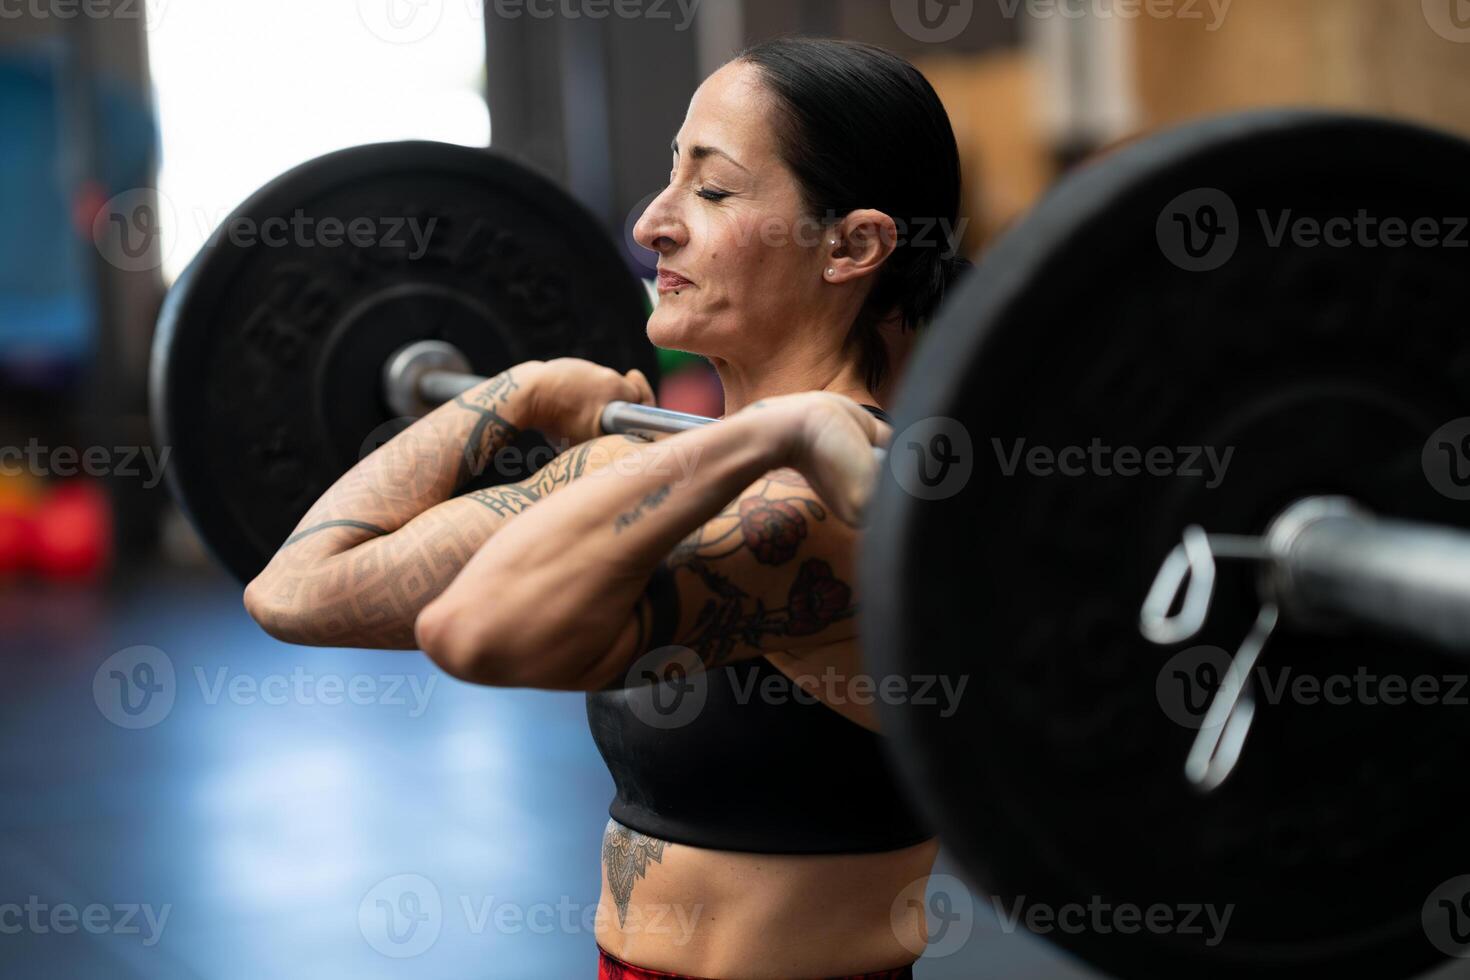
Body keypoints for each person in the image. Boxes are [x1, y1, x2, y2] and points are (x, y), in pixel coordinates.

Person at [244, 36, 968, 980]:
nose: (651, 223)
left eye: (712, 191)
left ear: (853, 244)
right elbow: (295, 590)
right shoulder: (663, 467)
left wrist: (755, 439)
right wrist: (519, 391)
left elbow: (476, 629)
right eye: (672, 177)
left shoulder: (826, 513)